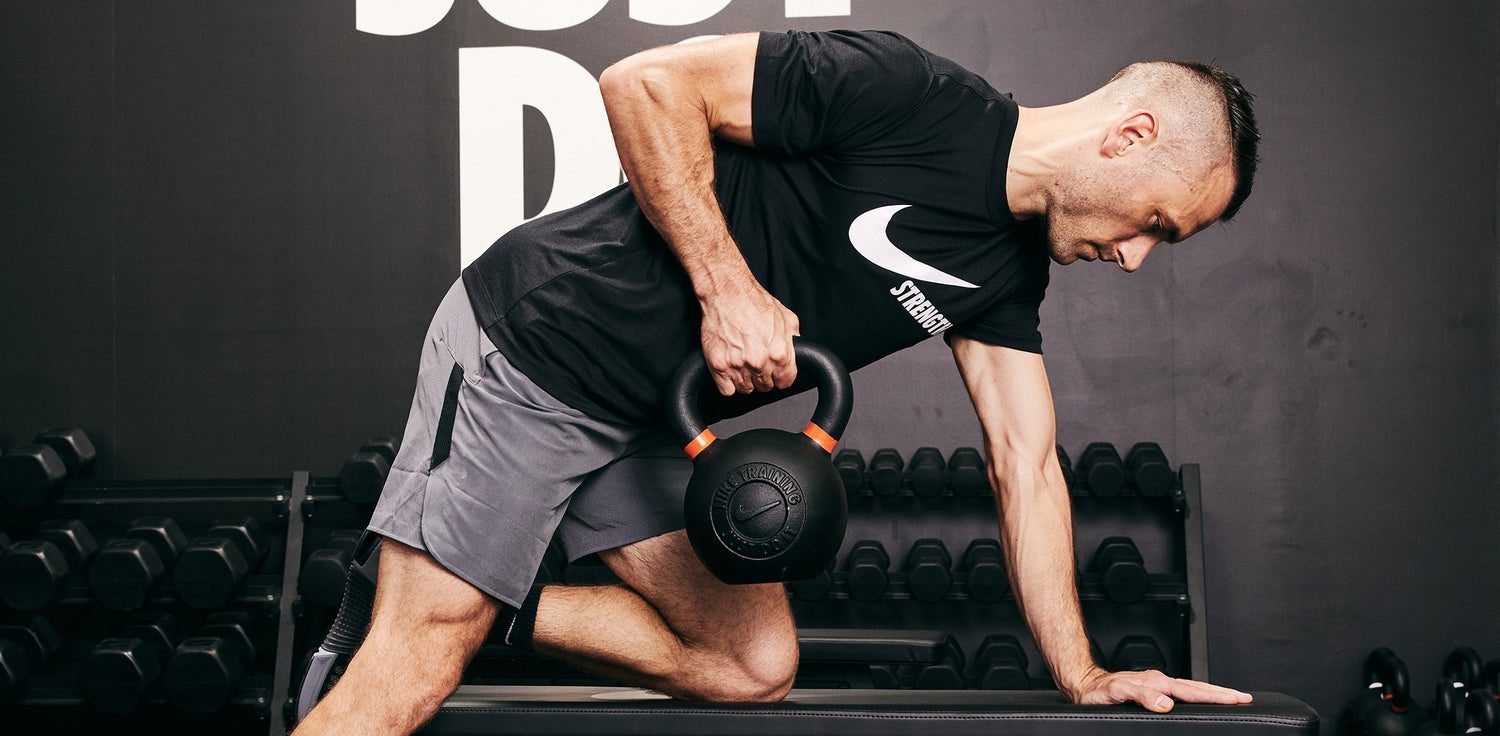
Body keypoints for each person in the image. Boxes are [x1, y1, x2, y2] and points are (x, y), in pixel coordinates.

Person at [292, 28, 1261, 735]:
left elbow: (1028, 463)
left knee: (751, 663)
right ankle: (433, 607)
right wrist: (727, 288)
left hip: (649, 417)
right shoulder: (906, 92)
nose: (1136, 258)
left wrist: (1084, 676)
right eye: (1157, 226)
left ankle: (441, 585)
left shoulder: (1007, 272)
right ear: (1131, 137)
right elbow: (643, 83)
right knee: (416, 665)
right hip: (541, 343)